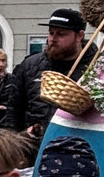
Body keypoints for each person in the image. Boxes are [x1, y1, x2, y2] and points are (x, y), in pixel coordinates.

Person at [11, 8, 95, 143]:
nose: (53, 39)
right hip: (33, 149)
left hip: (76, 147)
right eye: (51, 33)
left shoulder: (96, 67)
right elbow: (14, 110)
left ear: (79, 36)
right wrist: (16, 140)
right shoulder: (30, 65)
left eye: (61, 34)